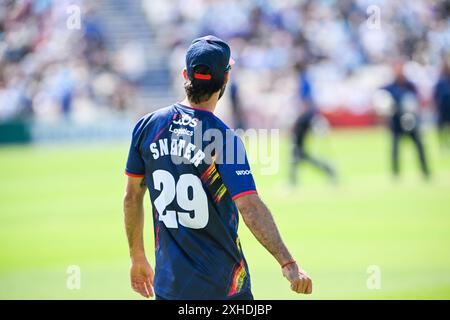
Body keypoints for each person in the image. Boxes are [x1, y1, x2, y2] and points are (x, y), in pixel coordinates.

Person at [123, 35, 312, 300]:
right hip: (224, 288)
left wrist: (137, 257)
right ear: (225, 80)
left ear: (185, 74)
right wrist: (288, 263)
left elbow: (132, 195)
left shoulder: (147, 126)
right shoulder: (223, 139)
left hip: (169, 288)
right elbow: (249, 206)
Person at [290, 62, 336, 186]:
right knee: (298, 152)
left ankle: (293, 181)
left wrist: (297, 120)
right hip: (307, 118)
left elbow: (306, 103)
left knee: (296, 150)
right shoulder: (305, 80)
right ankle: (328, 170)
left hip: (304, 119)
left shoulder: (303, 81)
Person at [383, 60, 430, 178]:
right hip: (396, 122)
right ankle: (396, 173)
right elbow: (382, 100)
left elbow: (417, 101)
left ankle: (425, 171)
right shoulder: (389, 87)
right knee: (395, 149)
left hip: (411, 121)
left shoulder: (410, 85)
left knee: (419, 146)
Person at [433, 59, 450, 151]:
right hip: (442, 109)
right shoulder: (441, 81)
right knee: (441, 128)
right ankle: (443, 145)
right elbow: (435, 95)